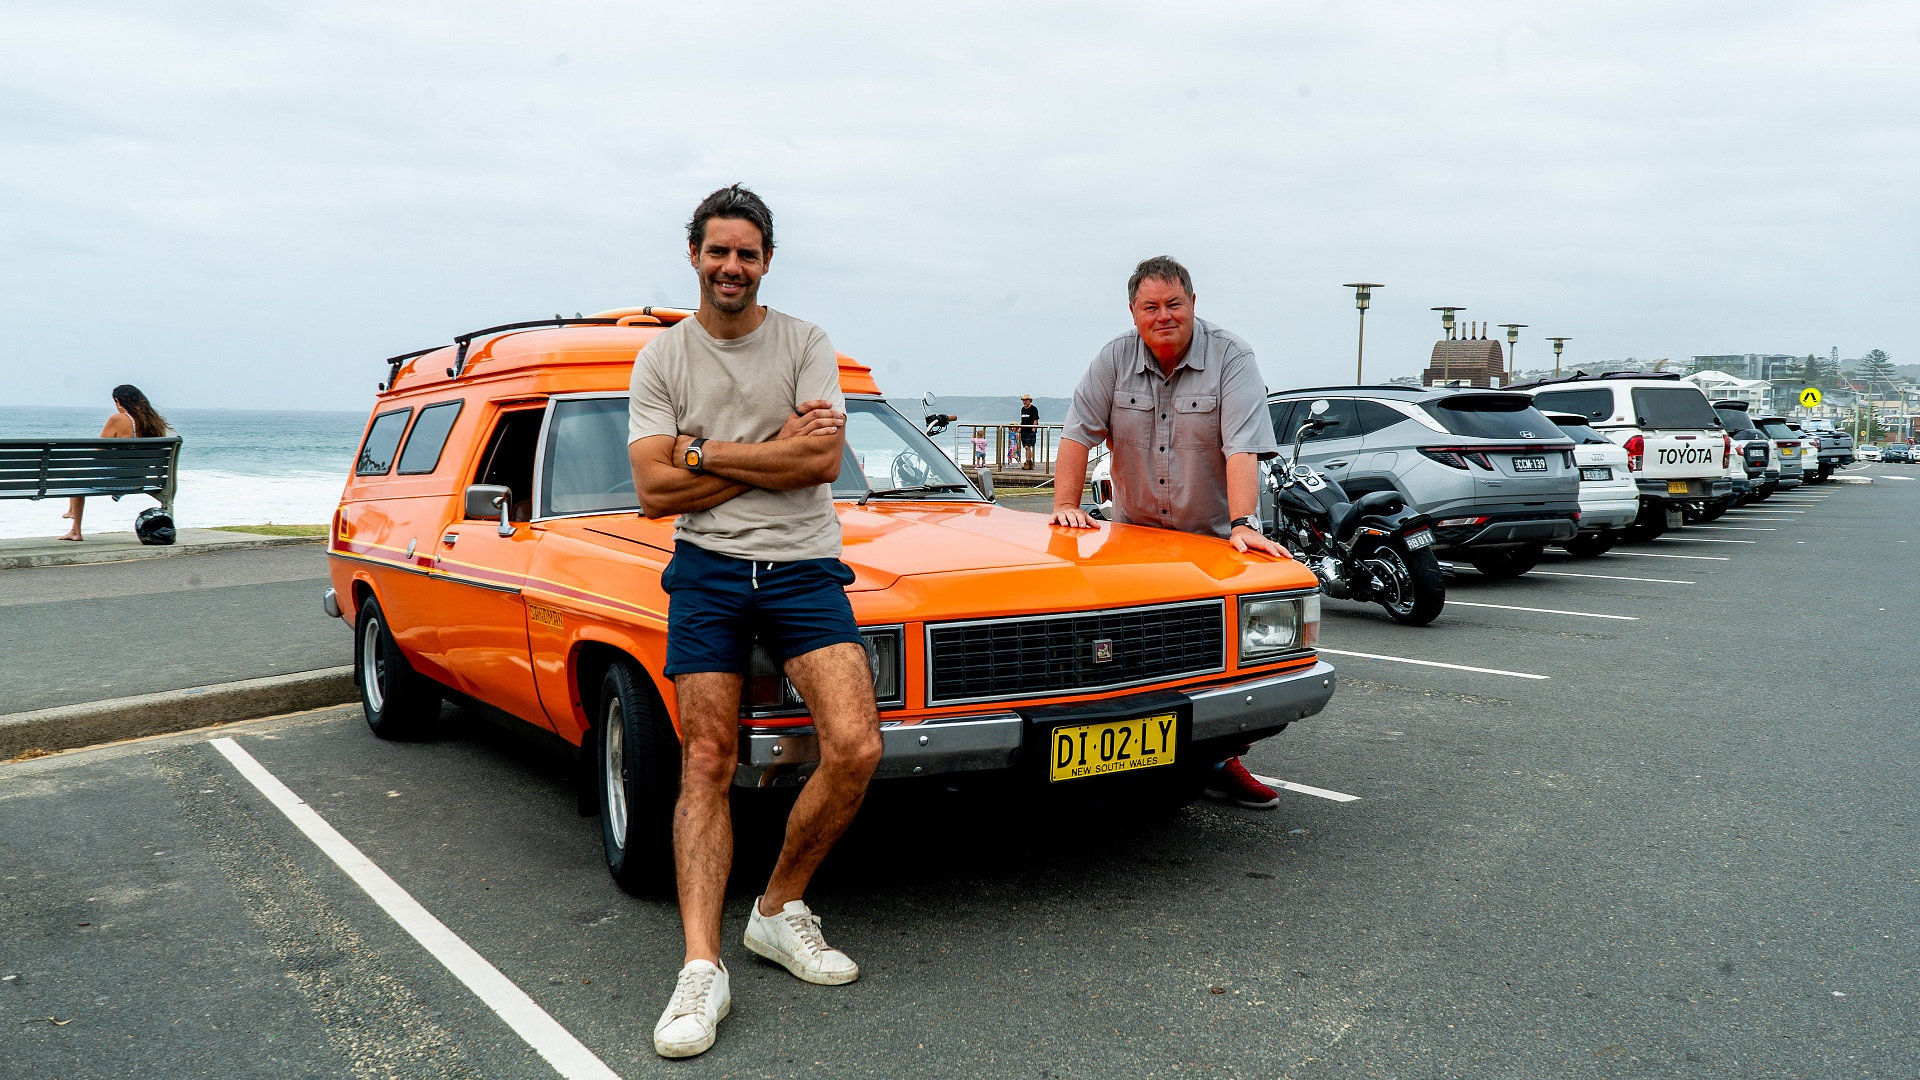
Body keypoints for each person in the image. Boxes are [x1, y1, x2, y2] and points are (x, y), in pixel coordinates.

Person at [627, 184, 882, 1060]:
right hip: (707, 571)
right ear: (694, 256)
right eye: (717, 251)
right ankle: (702, 967)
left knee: (855, 746)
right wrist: (766, 455)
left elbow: (820, 459)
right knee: (707, 757)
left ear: (766, 259)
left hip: (806, 567)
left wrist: (703, 451)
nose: (730, 266)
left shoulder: (806, 343)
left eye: (747, 252)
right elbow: (654, 491)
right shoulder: (662, 359)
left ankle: (777, 911)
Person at [1048, 256, 1291, 810]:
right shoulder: (1113, 358)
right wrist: (1065, 505)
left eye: (1173, 304)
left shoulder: (1232, 356)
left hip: (1211, 537)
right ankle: (1119, 757)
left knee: (1222, 659)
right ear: (1133, 312)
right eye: (1150, 307)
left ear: (1193, 304)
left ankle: (1221, 757)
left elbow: (1242, 446)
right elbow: (1076, 434)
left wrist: (1244, 524)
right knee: (1125, 655)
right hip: (1132, 540)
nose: (1163, 316)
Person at [60, 384, 171, 542]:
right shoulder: (153, 422)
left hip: (116, 481)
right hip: (139, 482)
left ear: (118, 401)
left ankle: (75, 530)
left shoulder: (117, 419)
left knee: (75, 477)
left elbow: (99, 453)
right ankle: (71, 511)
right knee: (80, 476)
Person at [1016, 393, 1040, 469]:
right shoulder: (1023, 409)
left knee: (1027, 447)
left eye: (1026, 400)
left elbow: (1035, 420)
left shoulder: (1034, 409)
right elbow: (1022, 419)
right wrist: (1019, 427)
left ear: (1029, 401)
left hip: (1030, 431)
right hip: (1024, 431)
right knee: (1026, 447)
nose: (1024, 402)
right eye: (1023, 400)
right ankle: (1030, 462)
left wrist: (1033, 429)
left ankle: (1027, 462)